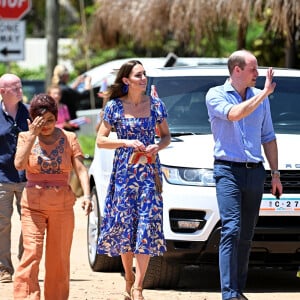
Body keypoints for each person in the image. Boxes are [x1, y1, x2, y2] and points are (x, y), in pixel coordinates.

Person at [205, 49, 283, 300]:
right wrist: (263, 95)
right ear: (236, 70)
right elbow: (235, 113)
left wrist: (275, 174)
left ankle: (238, 290)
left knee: (246, 235)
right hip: (227, 170)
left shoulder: (261, 98)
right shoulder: (215, 94)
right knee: (231, 229)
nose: (257, 74)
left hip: (255, 172)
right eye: (253, 69)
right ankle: (228, 293)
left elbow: (268, 138)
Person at [96, 60, 171, 300]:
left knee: (147, 225)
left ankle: (139, 285)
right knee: (125, 226)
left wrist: (158, 146)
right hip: (124, 174)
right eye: (138, 75)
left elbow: (167, 136)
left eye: (144, 74)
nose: (143, 78)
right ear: (126, 80)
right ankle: (128, 275)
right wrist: (126, 142)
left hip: (149, 173)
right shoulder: (114, 107)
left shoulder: (156, 105)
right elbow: (100, 140)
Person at [13, 94, 92, 300]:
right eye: (42, 121)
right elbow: (19, 164)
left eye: (50, 120)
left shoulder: (69, 138)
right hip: (33, 205)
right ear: (32, 119)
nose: (47, 125)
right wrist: (32, 135)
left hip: (62, 206)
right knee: (31, 253)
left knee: (58, 260)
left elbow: (81, 170)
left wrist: (87, 195)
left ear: (57, 117)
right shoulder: (24, 136)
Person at [0, 74, 29, 283]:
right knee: (2, 224)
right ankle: (3, 268)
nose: (20, 90)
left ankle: (25, 265)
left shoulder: (29, 111)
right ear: (2, 91)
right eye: (14, 88)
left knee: (29, 223)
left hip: (28, 176)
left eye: (20, 86)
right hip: (2, 177)